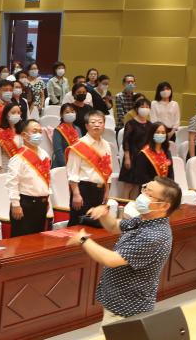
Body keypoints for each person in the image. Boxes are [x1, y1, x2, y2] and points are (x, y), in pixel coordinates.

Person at [67, 177, 181, 323]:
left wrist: (83, 240)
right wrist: (104, 215)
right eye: (144, 190)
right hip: (118, 302)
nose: (142, 196)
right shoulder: (145, 220)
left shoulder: (154, 235)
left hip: (127, 310)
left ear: (164, 206)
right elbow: (114, 226)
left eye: (149, 194)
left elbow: (111, 259)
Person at [7, 119, 51, 237]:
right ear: (24, 135)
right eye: (34, 131)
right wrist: (15, 204)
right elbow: (12, 183)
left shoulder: (44, 154)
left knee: (38, 240)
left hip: (41, 203)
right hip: (25, 204)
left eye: (40, 132)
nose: (38, 134)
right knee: (21, 241)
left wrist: (47, 199)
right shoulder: (18, 158)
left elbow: (47, 180)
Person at [67, 110, 112, 226]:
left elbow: (107, 171)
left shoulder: (107, 145)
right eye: (93, 122)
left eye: (100, 122)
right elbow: (72, 173)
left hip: (100, 190)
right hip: (83, 191)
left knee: (96, 225)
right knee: (78, 224)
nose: (97, 125)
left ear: (104, 125)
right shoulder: (79, 145)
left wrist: (107, 191)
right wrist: (76, 194)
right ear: (87, 126)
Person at [118, 97, 153, 199]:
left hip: (143, 158)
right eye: (142, 107)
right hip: (132, 156)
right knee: (129, 185)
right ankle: (123, 205)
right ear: (137, 109)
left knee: (138, 185)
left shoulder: (150, 125)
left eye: (147, 107)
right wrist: (127, 157)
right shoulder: (131, 123)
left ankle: (133, 206)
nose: (145, 109)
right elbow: (126, 141)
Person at [0, 102, 23, 174]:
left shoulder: (22, 131)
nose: (16, 115)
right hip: (5, 169)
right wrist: (0, 172)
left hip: (19, 168)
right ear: (6, 115)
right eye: (13, 112)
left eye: (18, 113)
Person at [52, 102, 80, 168]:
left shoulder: (78, 129)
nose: (70, 114)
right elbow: (58, 151)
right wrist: (67, 166)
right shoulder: (58, 130)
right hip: (62, 165)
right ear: (61, 115)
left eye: (72, 112)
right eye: (67, 112)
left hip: (76, 163)